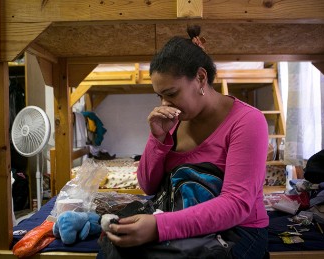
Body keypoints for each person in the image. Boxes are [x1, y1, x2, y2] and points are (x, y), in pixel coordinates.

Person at [105, 25, 269, 258]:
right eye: (160, 96)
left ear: (201, 78)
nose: (165, 103)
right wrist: (157, 139)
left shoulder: (247, 121)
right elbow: (148, 186)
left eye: (171, 93)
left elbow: (236, 205)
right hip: (180, 217)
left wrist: (158, 227)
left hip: (237, 231)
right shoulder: (175, 120)